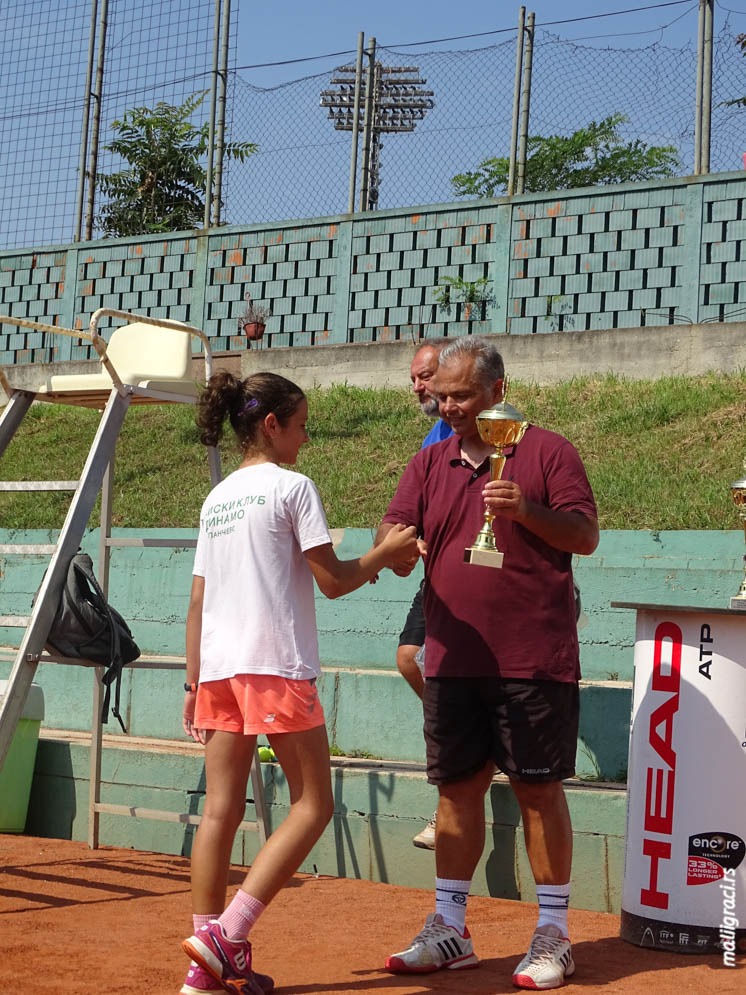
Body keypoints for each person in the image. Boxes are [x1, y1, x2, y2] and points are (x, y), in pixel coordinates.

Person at [179, 371, 418, 995]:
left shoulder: (217, 498)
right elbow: (334, 581)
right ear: (272, 425)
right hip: (275, 664)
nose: (306, 438)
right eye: (303, 425)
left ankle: (204, 972)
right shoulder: (293, 487)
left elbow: (197, 602)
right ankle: (225, 935)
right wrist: (387, 553)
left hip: (218, 669)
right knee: (315, 805)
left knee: (220, 809)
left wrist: (190, 683)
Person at [377, 336, 599, 990]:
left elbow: (583, 534)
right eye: (441, 394)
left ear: (498, 392)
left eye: (462, 395)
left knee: (537, 792)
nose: (448, 406)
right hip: (452, 656)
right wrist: (391, 548)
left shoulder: (549, 451)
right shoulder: (428, 462)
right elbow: (391, 532)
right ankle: (449, 925)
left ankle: (553, 932)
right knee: (455, 791)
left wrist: (526, 510)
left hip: (533, 659)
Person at [397, 339, 452, 849]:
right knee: (409, 657)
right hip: (435, 571)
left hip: (484, 577)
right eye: (414, 378)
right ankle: (457, 725)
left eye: (426, 375)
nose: (418, 386)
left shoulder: (499, 430)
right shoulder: (431, 438)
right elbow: (413, 508)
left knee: (447, 675)